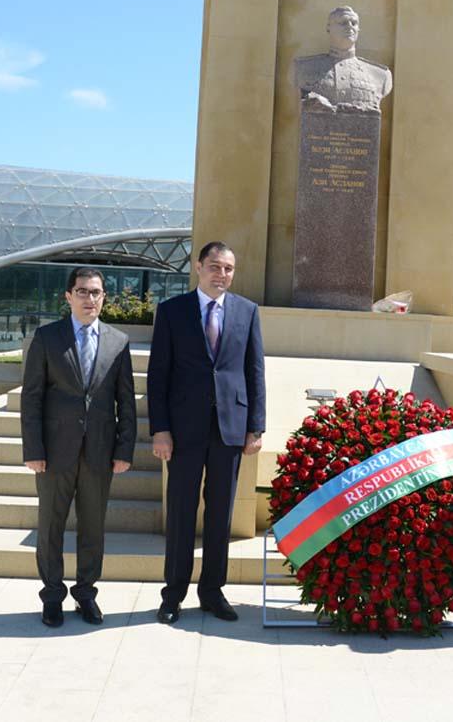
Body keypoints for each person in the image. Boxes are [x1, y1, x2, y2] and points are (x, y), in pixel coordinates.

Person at [148, 241, 266, 624]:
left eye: (229, 269)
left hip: (230, 430)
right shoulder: (171, 312)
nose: (222, 275)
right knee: (182, 514)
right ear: (198, 268)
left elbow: (254, 372)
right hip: (182, 432)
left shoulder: (247, 312)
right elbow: (158, 377)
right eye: (215, 267)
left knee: (221, 515)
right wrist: (160, 430)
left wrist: (256, 426)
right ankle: (173, 595)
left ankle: (212, 592)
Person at [20, 267, 137, 628]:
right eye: (83, 292)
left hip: (99, 453)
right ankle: (52, 596)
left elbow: (126, 402)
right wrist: (33, 449)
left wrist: (124, 450)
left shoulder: (118, 342)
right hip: (54, 452)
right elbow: (32, 398)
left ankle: (86, 594)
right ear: (68, 296)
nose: (91, 299)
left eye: (97, 293)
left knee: (93, 528)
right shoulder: (47, 338)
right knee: (51, 526)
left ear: (104, 298)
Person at [293, 5, 393, 114]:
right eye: (343, 23)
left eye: (354, 23)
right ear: (328, 28)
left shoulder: (380, 75)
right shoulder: (302, 68)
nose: (350, 27)